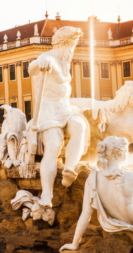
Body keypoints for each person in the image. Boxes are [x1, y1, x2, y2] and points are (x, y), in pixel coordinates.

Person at [28, 26, 89, 206]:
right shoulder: (49, 58)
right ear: (64, 43)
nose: (72, 50)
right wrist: (41, 62)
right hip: (47, 112)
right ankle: (47, 194)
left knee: (80, 126)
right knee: (54, 145)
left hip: (64, 108)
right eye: (71, 45)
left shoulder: (65, 62)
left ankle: (69, 168)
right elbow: (32, 68)